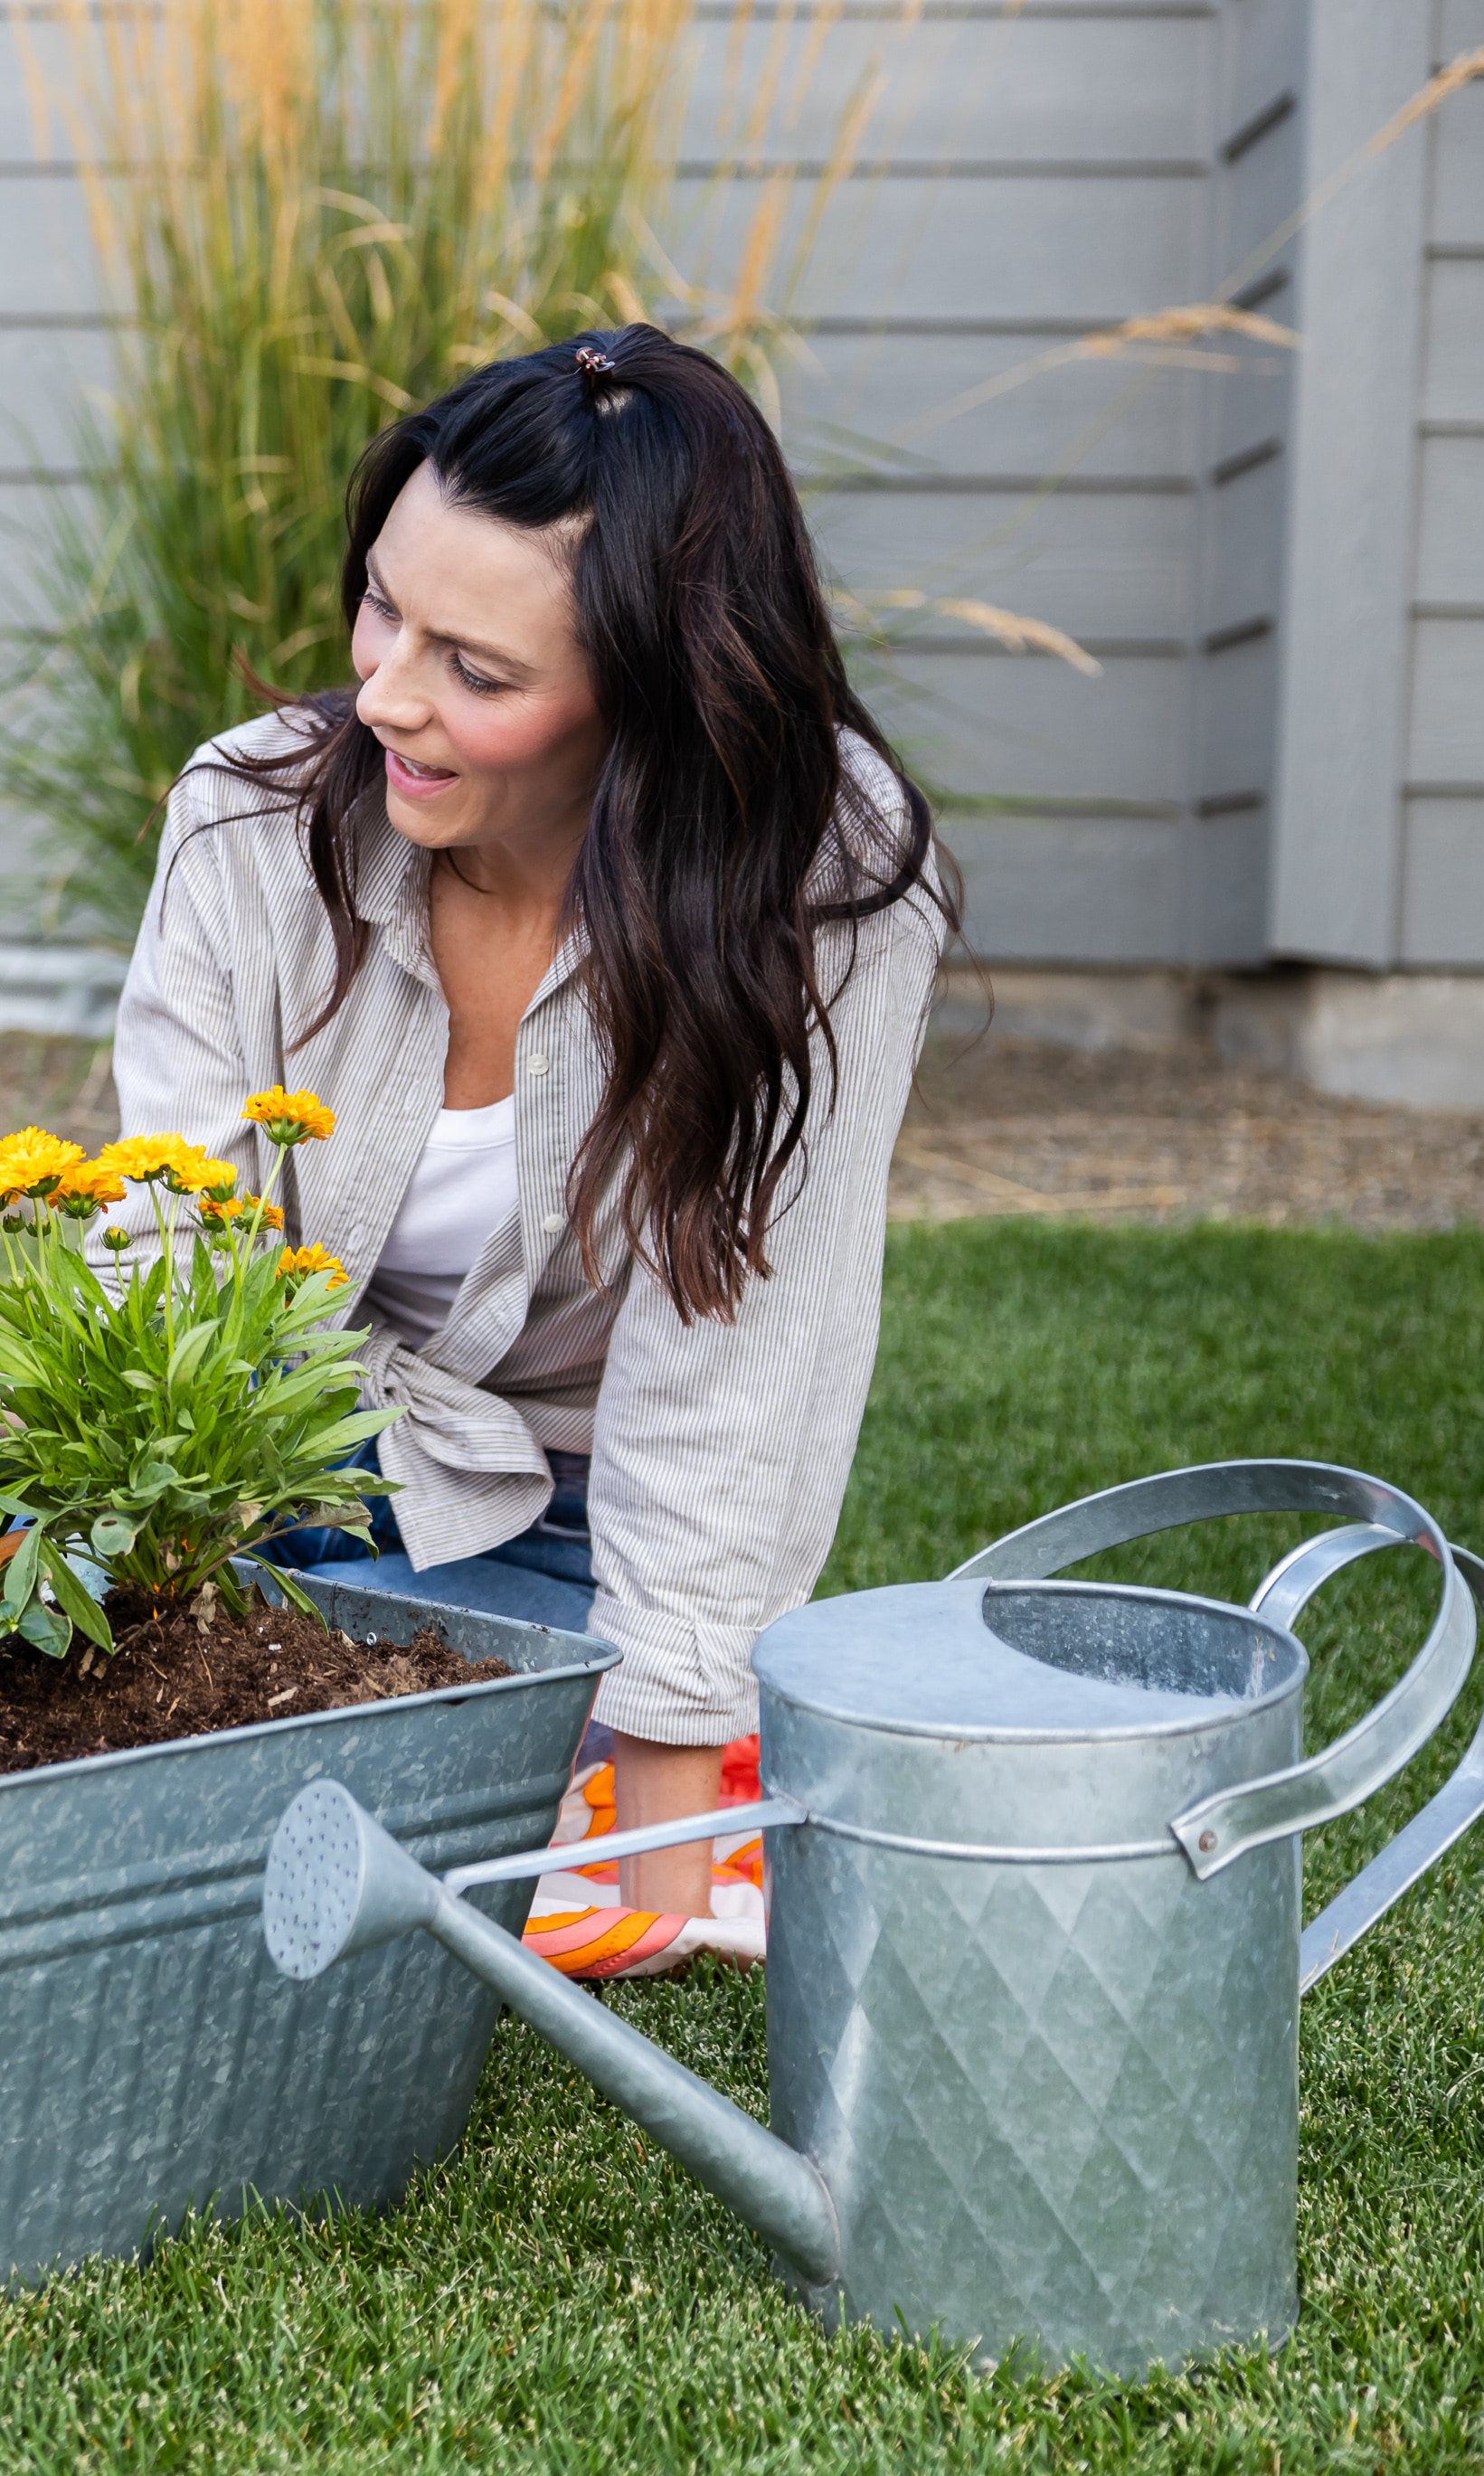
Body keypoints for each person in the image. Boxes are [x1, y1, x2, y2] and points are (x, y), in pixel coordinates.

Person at [110, 325, 953, 1972]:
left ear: (651, 694)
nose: (383, 694)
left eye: (478, 674)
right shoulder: (249, 818)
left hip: (560, 1523)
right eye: (382, 606)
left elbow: (740, 1364)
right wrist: (150, 1584)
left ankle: (608, 1770)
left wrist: (661, 1865)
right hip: (276, 1458)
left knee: (391, 1799)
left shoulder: (823, 887)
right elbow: (175, 1253)